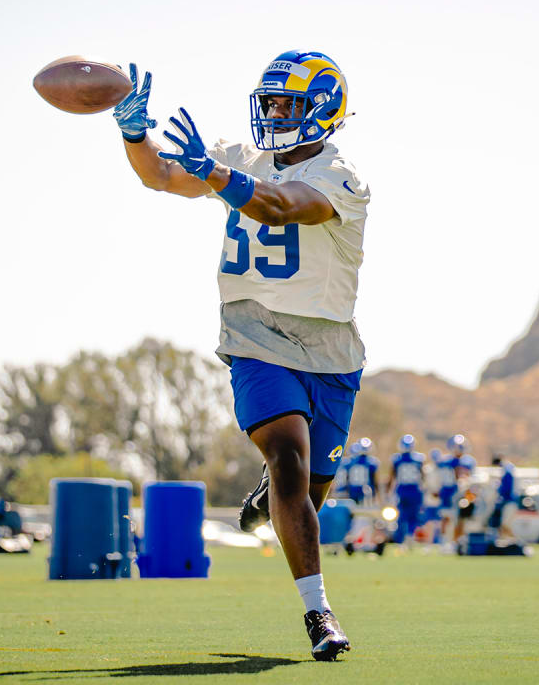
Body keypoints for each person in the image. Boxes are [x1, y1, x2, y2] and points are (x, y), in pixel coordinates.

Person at [112, 50, 368, 661]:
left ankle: (269, 500)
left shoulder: (344, 177)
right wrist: (133, 132)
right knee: (288, 460)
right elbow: (160, 176)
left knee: (311, 489)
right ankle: (319, 613)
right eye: (271, 102)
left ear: (323, 112)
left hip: (330, 344)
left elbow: (281, 206)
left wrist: (220, 177)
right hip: (255, 333)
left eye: (290, 104)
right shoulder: (238, 159)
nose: (276, 113)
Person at [387, 435, 425, 544]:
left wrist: (388, 491)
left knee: (402, 516)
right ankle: (410, 536)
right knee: (413, 516)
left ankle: (400, 539)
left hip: (402, 490)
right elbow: (422, 476)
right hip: (415, 490)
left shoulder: (397, 459)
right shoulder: (419, 459)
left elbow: (392, 477)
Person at [343, 438, 380, 505]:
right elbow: (373, 479)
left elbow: (347, 478)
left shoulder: (350, 462)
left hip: (352, 490)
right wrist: (377, 493)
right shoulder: (370, 462)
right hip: (366, 491)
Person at [489, 455, 518, 538]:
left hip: (510, 502)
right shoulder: (508, 468)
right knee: (502, 524)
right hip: (509, 501)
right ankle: (504, 540)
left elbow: (507, 488)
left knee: (505, 524)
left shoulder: (507, 470)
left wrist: (501, 496)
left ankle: (515, 541)